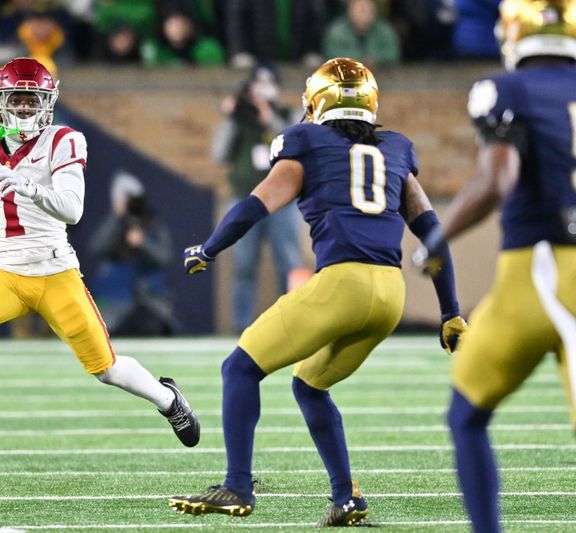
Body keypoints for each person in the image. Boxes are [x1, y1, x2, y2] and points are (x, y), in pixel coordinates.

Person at [169, 57, 468, 525]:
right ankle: (347, 498)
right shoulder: (396, 148)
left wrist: (208, 249)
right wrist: (451, 310)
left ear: (315, 102)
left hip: (341, 284)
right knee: (310, 385)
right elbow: (433, 234)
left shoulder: (305, 142)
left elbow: (254, 205)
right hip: (391, 296)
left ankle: (237, 485)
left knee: (239, 369)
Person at [0, 58, 199, 450]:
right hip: (6, 273)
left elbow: (72, 209)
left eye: (33, 100)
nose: (25, 108)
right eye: (18, 99)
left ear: (47, 102)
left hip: (54, 272)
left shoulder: (63, 140)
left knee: (106, 369)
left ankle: (168, 400)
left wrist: (28, 186)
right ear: (0, 100)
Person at [413, 1, 576, 531]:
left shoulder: (506, 89)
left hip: (541, 270)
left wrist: (435, 237)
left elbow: (498, 180)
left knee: (466, 415)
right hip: (541, 275)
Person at [211, 64, 304, 333]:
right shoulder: (240, 120)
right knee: (243, 265)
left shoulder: (289, 115)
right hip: (245, 200)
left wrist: (269, 118)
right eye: (258, 85)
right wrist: (231, 116)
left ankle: (295, 323)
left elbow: (295, 145)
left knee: (290, 264)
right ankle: (242, 326)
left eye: (268, 84)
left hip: (283, 203)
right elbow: (219, 154)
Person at [88, 171, 177, 336]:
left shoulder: (153, 225)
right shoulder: (113, 225)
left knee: (154, 325)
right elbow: (98, 248)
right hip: (115, 303)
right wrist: (117, 217)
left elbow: (163, 257)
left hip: (149, 301)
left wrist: (142, 243)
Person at [323, 0, 401, 69]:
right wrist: (360, 61)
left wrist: (375, 60)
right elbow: (332, 54)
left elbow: (393, 53)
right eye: (358, 7)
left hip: (382, 76)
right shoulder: (336, 32)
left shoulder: (385, 30)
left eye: (367, 7)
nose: (363, 10)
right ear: (349, 9)